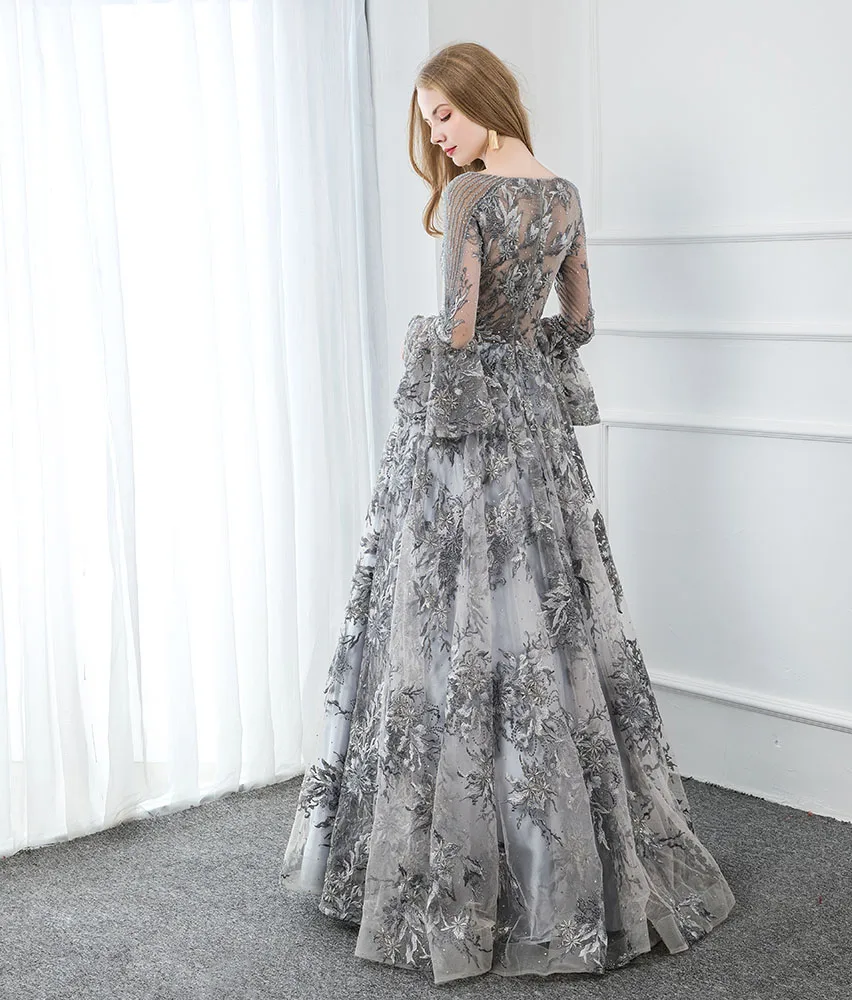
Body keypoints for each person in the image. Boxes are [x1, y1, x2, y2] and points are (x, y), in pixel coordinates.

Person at [279, 41, 736, 984]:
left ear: (484, 98)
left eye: (445, 113)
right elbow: (582, 322)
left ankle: (460, 872)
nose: (438, 136)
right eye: (428, 120)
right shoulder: (563, 195)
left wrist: (430, 340)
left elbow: (455, 329)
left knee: (451, 616)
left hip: (468, 428)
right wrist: (524, 347)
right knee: (546, 615)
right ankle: (569, 859)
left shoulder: (471, 198)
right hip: (534, 422)